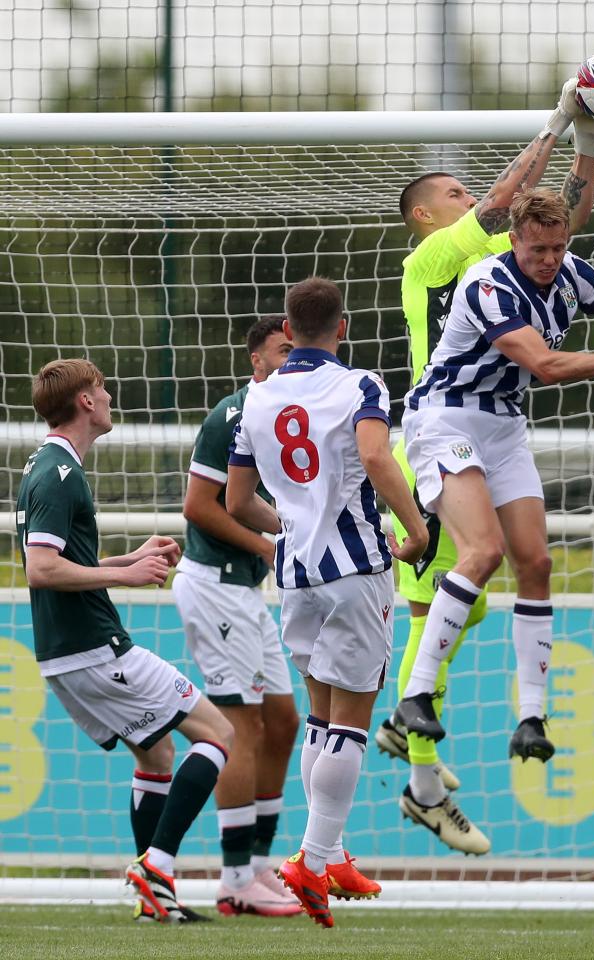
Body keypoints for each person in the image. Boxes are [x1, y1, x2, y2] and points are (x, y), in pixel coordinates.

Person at [373, 77, 594, 854]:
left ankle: (419, 746)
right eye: (454, 190)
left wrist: (586, 142)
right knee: (437, 596)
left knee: (468, 598)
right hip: (436, 433)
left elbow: (550, 217)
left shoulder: (518, 257)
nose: (474, 196)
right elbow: (514, 197)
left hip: (492, 423)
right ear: (424, 215)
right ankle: (422, 773)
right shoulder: (436, 256)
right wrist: (562, 117)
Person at [394, 188, 594, 764]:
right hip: (444, 417)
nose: (548, 258)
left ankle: (532, 718)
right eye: (537, 248)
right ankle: (415, 695)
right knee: (483, 552)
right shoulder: (488, 283)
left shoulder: (571, 270)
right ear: (514, 239)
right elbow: (543, 365)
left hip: (503, 426)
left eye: (557, 247)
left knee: (536, 563)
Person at [226, 277, 430, 927]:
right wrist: (417, 525)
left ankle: (330, 850)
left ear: (287, 331)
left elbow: (236, 502)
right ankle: (312, 862)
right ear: (341, 328)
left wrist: (292, 522)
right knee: (351, 719)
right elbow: (375, 454)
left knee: (321, 717)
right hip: (356, 568)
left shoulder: (255, 397)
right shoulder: (361, 385)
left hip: (293, 572)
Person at [16, 358, 234, 923]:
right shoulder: (58, 474)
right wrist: (124, 576)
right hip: (92, 647)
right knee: (217, 733)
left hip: (71, 651)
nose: (109, 396)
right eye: (102, 388)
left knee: (158, 753)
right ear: (86, 402)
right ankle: (156, 865)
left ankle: (154, 900)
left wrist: (130, 558)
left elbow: (66, 562)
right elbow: (40, 569)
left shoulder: (49, 466)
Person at [172, 315, 302, 917]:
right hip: (216, 587)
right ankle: (232, 879)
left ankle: (256, 866)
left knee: (283, 721)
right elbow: (200, 507)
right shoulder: (233, 414)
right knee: (240, 726)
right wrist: (270, 547)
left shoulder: (294, 418)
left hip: (246, 592)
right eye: (280, 349)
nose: (289, 357)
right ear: (255, 361)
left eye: (295, 347)